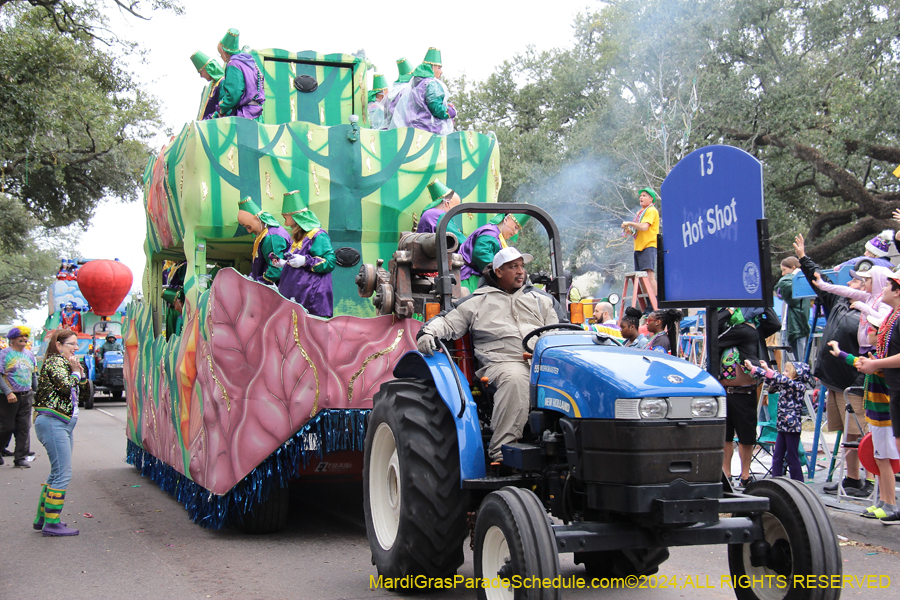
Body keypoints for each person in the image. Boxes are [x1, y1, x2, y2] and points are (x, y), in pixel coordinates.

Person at [416, 247, 566, 463]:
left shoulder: (541, 299)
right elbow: (448, 321)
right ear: (498, 271)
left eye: (522, 266)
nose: (520, 271)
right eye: (513, 267)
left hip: (542, 361)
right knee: (516, 378)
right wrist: (428, 332)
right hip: (501, 363)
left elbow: (558, 330)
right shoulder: (477, 301)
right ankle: (502, 450)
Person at [794, 233, 872, 497]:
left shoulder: (874, 311)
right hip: (834, 380)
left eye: (857, 280)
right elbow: (820, 282)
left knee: (860, 432)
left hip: (857, 382)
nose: (849, 282)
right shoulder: (838, 301)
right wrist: (804, 258)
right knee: (845, 434)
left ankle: (868, 479)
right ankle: (851, 479)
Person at [828, 317, 900, 522]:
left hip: (884, 416)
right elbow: (860, 362)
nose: (867, 332)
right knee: (879, 459)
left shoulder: (882, 359)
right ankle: (883, 501)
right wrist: (840, 353)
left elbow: (862, 364)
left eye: (872, 329)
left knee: (884, 459)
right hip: (876, 415)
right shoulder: (877, 356)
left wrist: (842, 354)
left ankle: (889, 503)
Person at [32, 328, 84, 536]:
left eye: (76, 343)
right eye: (71, 343)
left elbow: (84, 390)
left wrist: (80, 373)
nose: (76, 347)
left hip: (63, 423)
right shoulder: (55, 363)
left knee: (56, 472)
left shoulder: (65, 364)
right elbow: (64, 386)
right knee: (63, 473)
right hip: (54, 422)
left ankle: (43, 519)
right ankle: (51, 523)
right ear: (58, 345)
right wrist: (75, 373)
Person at [745, 359, 812, 482]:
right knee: (777, 456)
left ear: (797, 375)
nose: (784, 373)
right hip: (782, 426)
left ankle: (798, 482)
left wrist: (766, 369)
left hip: (792, 428)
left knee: (792, 456)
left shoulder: (798, 386)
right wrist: (753, 369)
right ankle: (776, 481)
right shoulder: (785, 385)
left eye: (787, 371)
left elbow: (781, 379)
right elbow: (771, 379)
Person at [276, 192, 336, 318]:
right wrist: (285, 264)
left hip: (311, 301)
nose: (286, 224)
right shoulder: (298, 238)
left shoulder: (318, 235)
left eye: (286, 218)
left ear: (296, 217)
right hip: (296, 301)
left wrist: (305, 261)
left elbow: (330, 263)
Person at [389, 47, 455, 135]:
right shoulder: (431, 84)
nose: (441, 71)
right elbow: (436, 109)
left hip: (412, 130)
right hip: (428, 132)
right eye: (439, 68)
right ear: (432, 67)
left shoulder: (416, 85)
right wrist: (450, 111)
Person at [457, 213, 528, 293]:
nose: (515, 232)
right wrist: (503, 273)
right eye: (515, 227)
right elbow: (480, 255)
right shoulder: (490, 234)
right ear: (506, 219)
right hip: (470, 279)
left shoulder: (496, 235)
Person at [0, 327, 37, 468]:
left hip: (26, 395)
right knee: (6, 427)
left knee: (24, 427)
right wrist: (8, 392)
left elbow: (33, 375)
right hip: (8, 396)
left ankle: (20, 457)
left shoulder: (29, 354)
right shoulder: (4, 354)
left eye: (26, 336)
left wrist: (36, 392)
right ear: (13, 338)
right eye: (21, 336)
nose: (25, 339)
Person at [237, 196, 292, 286]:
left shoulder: (272, 237)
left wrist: (259, 283)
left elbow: (276, 269)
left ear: (257, 218)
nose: (249, 231)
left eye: (248, 227)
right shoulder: (266, 234)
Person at [620, 187, 660, 310]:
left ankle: (656, 302)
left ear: (651, 199)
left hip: (649, 245)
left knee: (649, 274)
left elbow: (644, 227)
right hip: (638, 247)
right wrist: (628, 229)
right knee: (642, 277)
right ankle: (648, 303)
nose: (641, 198)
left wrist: (630, 223)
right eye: (640, 196)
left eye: (644, 195)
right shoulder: (640, 213)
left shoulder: (651, 210)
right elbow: (636, 232)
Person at [214, 28, 266, 121]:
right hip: (257, 116)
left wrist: (221, 109)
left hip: (244, 118)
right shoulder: (250, 63)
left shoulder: (233, 64)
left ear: (224, 51)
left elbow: (234, 93)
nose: (221, 57)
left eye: (220, 54)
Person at [776, 256, 810, 359]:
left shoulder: (800, 282)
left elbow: (782, 285)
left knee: (797, 366)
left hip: (796, 329)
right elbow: (779, 289)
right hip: (787, 327)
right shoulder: (792, 283)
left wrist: (794, 276)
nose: (783, 274)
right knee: (787, 366)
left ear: (793, 268)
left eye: (784, 270)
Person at [190, 50, 225, 120]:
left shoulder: (223, 83)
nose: (201, 76)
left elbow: (223, 107)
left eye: (201, 72)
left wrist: (209, 119)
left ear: (208, 69)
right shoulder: (214, 85)